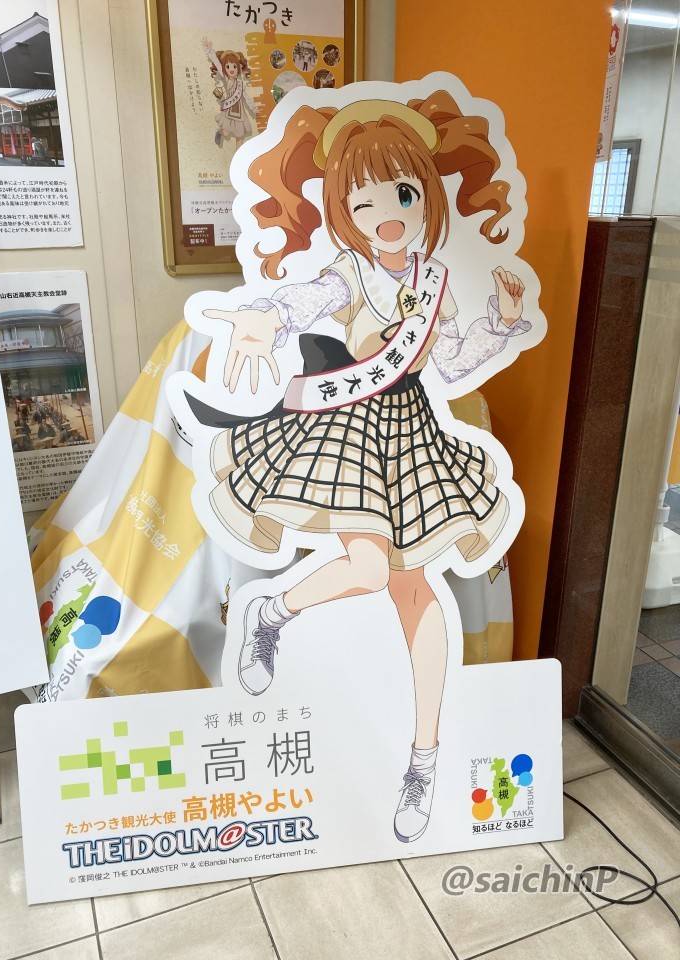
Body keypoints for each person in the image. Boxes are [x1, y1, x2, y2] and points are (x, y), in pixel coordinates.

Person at [186, 90, 532, 843]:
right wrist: (265, 317)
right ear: (343, 209)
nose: (387, 214)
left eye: (401, 194)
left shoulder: (434, 282)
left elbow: (451, 364)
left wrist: (501, 323)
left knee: (416, 592)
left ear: (425, 196)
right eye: (364, 200)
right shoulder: (350, 273)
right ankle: (273, 615)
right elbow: (306, 299)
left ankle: (423, 760)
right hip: (349, 437)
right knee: (373, 571)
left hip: (412, 438)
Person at [202, 38, 256, 150]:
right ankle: (220, 132)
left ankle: (238, 156)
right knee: (227, 132)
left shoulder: (240, 83)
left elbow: (246, 97)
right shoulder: (226, 79)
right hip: (230, 110)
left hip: (240, 112)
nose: (231, 69)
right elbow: (217, 64)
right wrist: (210, 50)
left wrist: (253, 108)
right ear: (224, 68)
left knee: (239, 135)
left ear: (238, 67)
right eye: (228, 66)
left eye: (234, 66)